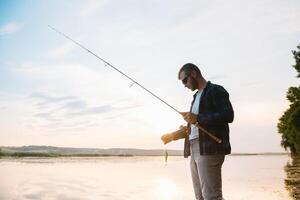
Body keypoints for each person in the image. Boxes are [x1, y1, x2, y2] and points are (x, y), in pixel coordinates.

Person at [161, 63, 234, 200]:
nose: (184, 85)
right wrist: (172, 136)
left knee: (211, 196)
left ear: (193, 74)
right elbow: (192, 127)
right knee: (199, 196)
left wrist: (198, 118)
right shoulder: (195, 98)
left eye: (184, 80)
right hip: (194, 148)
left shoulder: (216, 90)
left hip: (210, 148)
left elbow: (228, 115)